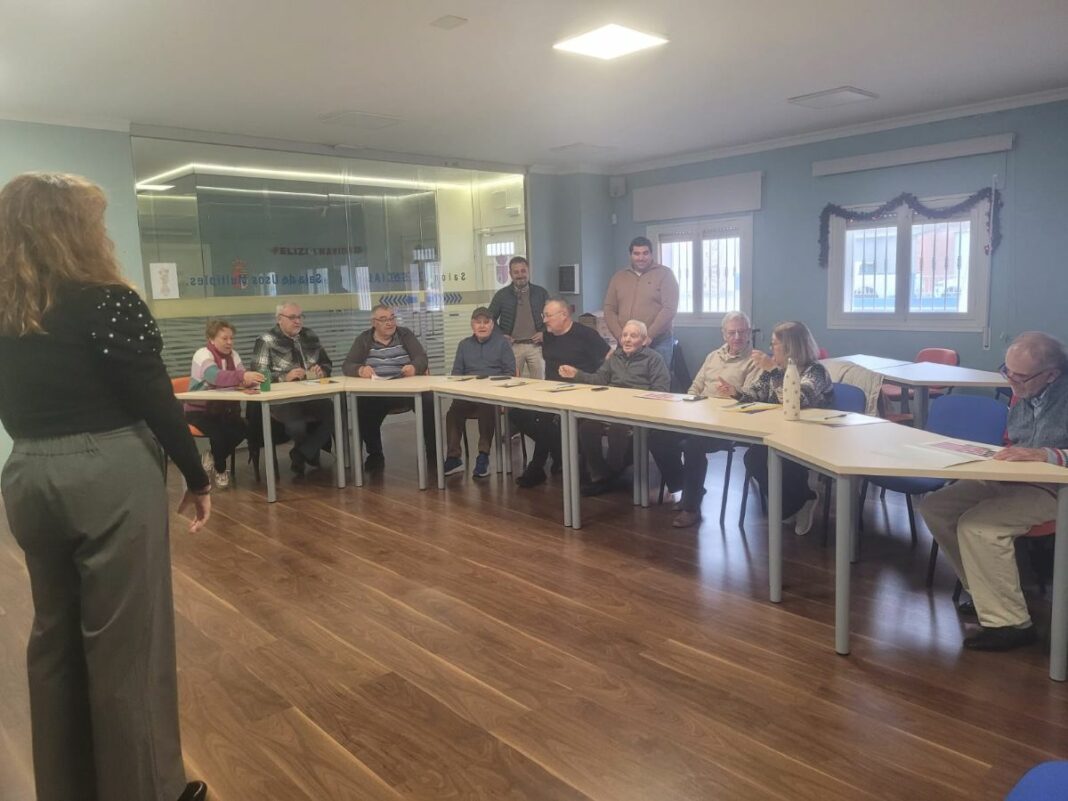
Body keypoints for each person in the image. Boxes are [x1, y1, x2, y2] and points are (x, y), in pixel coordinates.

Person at [0, 172, 209, 801]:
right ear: (75, 229)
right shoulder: (107, 300)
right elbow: (154, 395)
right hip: (109, 471)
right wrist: (197, 475)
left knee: (54, 638)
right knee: (127, 645)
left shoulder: (7, 309)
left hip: (27, 471)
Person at [919, 332, 1068, 651]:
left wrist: (1045, 454)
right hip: (1014, 476)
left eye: (1020, 376)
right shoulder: (1024, 391)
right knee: (936, 506)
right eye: (1007, 371)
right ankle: (988, 595)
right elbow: (1015, 439)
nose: (1010, 381)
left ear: (1052, 375)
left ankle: (1011, 623)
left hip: (1055, 486)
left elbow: (1042, 450)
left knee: (978, 526)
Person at [717, 321, 832, 530]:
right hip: (778, 432)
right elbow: (756, 393)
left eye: (774, 344)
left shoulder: (815, 371)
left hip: (810, 437)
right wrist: (736, 392)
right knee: (754, 459)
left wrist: (773, 369)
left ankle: (800, 502)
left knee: (785, 461)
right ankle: (795, 503)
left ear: (789, 347)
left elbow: (796, 399)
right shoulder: (776, 371)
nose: (770, 348)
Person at [560, 319, 677, 496]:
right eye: (624, 335)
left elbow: (661, 391)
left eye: (633, 336)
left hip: (636, 411)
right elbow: (599, 379)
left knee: (618, 430)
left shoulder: (654, 359)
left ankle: (612, 472)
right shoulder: (615, 357)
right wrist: (577, 374)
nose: (627, 339)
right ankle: (600, 474)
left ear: (644, 340)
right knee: (587, 427)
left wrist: (635, 400)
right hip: (610, 408)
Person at [669, 311, 762, 527]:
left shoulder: (755, 360)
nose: (737, 337)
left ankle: (690, 508)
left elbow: (752, 397)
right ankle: (689, 488)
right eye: (732, 332)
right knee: (658, 437)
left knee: (692, 445)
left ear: (749, 333)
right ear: (723, 334)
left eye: (742, 332)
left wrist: (733, 392)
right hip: (699, 414)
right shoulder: (713, 356)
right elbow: (696, 385)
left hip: (729, 422)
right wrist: (688, 404)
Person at [511, 298, 610, 487]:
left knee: (546, 421)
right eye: (544, 315)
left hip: (581, 393)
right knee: (517, 413)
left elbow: (608, 359)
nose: (544, 320)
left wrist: (590, 379)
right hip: (552, 393)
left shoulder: (586, 334)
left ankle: (539, 466)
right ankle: (561, 452)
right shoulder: (548, 336)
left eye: (548, 315)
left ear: (564, 315)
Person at [341, 303, 437, 472]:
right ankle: (375, 453)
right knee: (362, 405)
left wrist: (414, 367)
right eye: (384, 319)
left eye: (392, 318)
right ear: (374, 323)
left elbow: (421, 358)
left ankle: (432, 452)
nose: (390, 323)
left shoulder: (405, 334)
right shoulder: (364, 339)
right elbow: (348, 365)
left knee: (428, 400)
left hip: (406, 390)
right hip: (377, 391)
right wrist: (360, 370)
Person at [249, 302, 335, 474]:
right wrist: (284, 377)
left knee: (336, 411)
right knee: (297, 426)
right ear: (279, 319)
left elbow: (327, 363)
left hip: (311, 394)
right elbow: (258, 375)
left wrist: (322, 371)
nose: (298, 321)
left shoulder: (310, 335)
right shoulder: (266, 340)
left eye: (300, 317)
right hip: (283, 400)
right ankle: (308, 452)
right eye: (292, 317)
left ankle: (302, 453)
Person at [184, 318, 264, 489]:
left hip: (224, 410)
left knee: (246, 429)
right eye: (224, 338)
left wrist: (249, 382)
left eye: (231, 338)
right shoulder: (202, 354)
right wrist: (242, 377)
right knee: (220, 434)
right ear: (211, 339)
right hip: (199, 411)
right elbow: (215, 376)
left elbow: (241, 375)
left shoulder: (234, 355)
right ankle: (220, 469)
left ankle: (212, 457)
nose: (229, 342)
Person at [443, 307, 516, 478]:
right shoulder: (464, 345)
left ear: (492, 325)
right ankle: (454, 458)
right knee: (453, 412)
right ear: (472, 325)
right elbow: (456, 374)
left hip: (491, 396)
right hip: (468, 395)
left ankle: (483, 456)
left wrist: (491, 386)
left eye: (486, 322)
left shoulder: (502, 343)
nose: (482, 326)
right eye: (478, 322)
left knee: (487, 407)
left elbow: (510, 373)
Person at [603, 236, 679, 368]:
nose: (641, 257)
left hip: (657, 342)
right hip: (626, 343)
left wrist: (649, 335)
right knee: (625, 378)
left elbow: (669, 308)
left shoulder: (665, 274)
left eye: (645, 253)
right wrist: (620, 336)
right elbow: (609, 309)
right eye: (636, 253)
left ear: (651, 254)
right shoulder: (619, 277)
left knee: (657, 379)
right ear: (630, 255)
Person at [488, 255, 549, 378]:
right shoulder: (501, 295)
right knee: (512, 381)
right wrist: (501, 335)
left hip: (536, 347)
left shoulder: (541, 292)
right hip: (512, 347)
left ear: (528, 271)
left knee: (541, 382)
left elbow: (551, 316)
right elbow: (490, 318)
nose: (520, 275)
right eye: (516, 272)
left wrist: (544, 333)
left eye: (523, 271)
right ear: (510, 274)